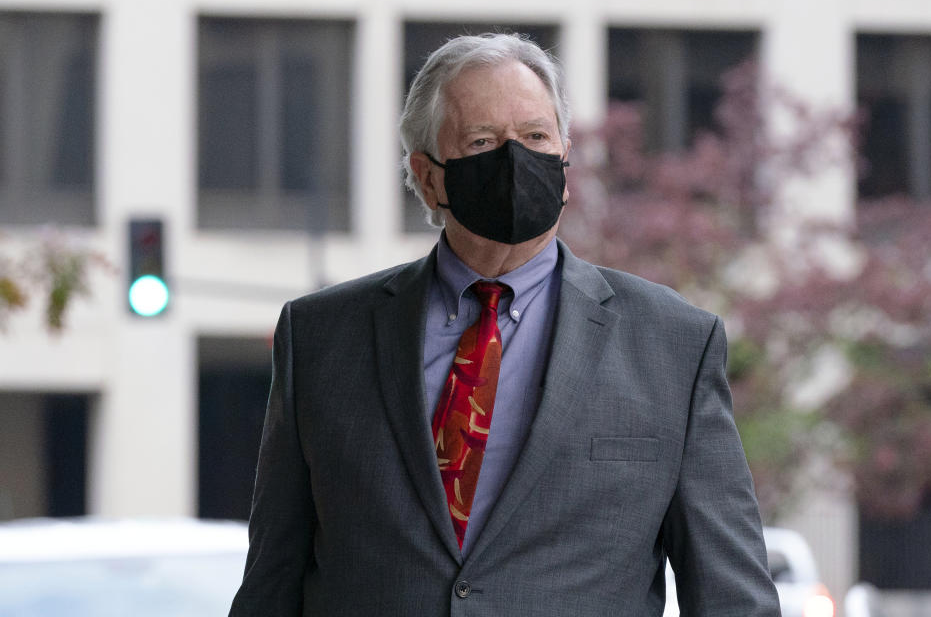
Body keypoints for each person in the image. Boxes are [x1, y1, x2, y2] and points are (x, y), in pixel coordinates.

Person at [229, 33, 781, 616]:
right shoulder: (320, 338)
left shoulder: (673, 346)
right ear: (430, 175)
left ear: (565, 161)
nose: (517, 160)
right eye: (483, 141)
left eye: (537, 137)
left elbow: (731, 598)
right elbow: (272, 582)